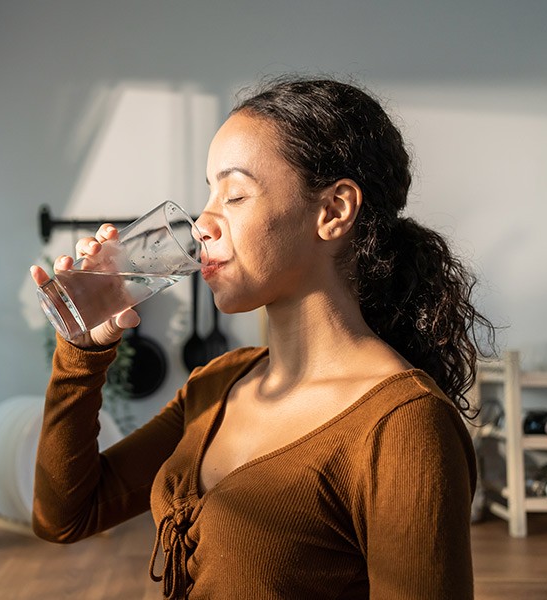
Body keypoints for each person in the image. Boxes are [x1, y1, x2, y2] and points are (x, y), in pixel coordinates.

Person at [30, 75, 494, 599]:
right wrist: (82, 352)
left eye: (234, 194)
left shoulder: (403, 427)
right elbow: (64, 516)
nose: (202, 222)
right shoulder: (218, 385)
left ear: (334, 210)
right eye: (208, 192)